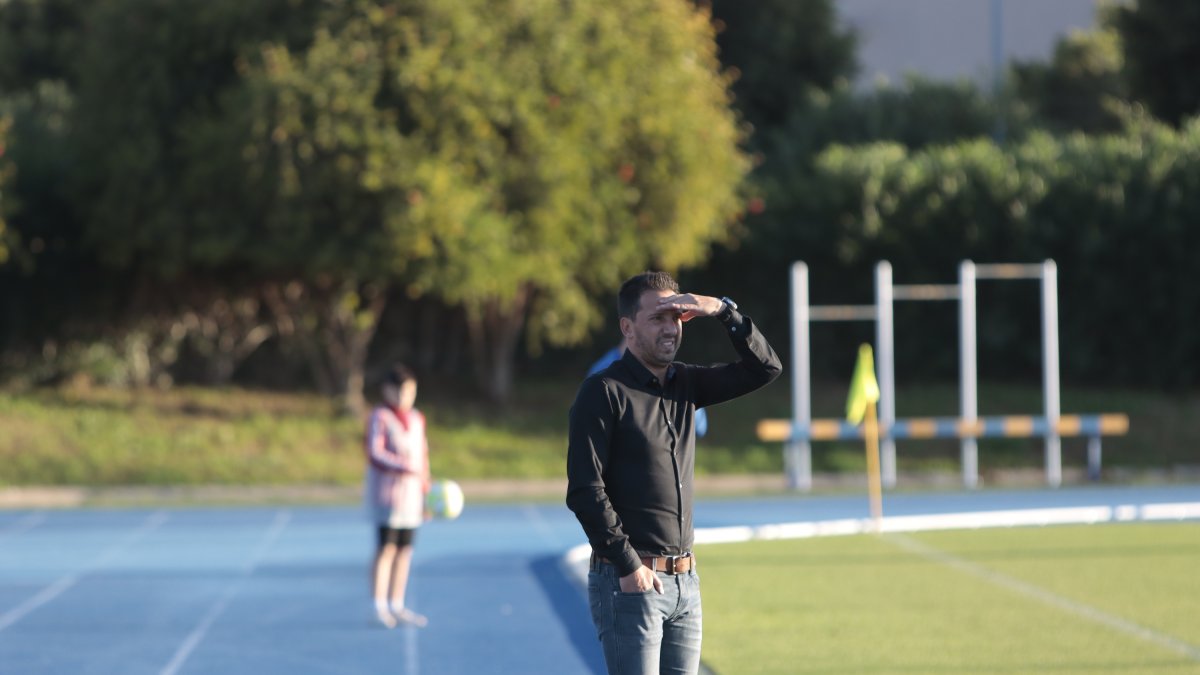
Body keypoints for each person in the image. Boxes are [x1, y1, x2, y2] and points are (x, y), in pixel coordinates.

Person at [566, 271, 782, 674]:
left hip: (686, 581)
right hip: (630, 582)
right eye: (657, 318)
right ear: (627, 328)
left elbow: (765, 367)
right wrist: (629, 566)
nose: (669, 328)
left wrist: (720, 310)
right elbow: (584, 489)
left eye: (675, 318)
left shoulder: (686, 382)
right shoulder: (603, 391)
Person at [364, 363, 430, 628]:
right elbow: (375, 453)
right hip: (387, 497)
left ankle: (397, 603)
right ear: (387, 390)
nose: (405, 397)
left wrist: (426, 490)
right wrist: (404, 466)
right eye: (400, 391)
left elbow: (423, 457)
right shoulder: (380, 417)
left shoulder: (417, 418)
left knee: (405, 551)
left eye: (410, 392)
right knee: (386, 549)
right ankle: (378, 605)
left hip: (411, 498)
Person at [588, 338, 708, 439]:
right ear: (628, 328)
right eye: (655, 320)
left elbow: (699, 427)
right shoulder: (602, 373)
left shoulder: (668, 374)